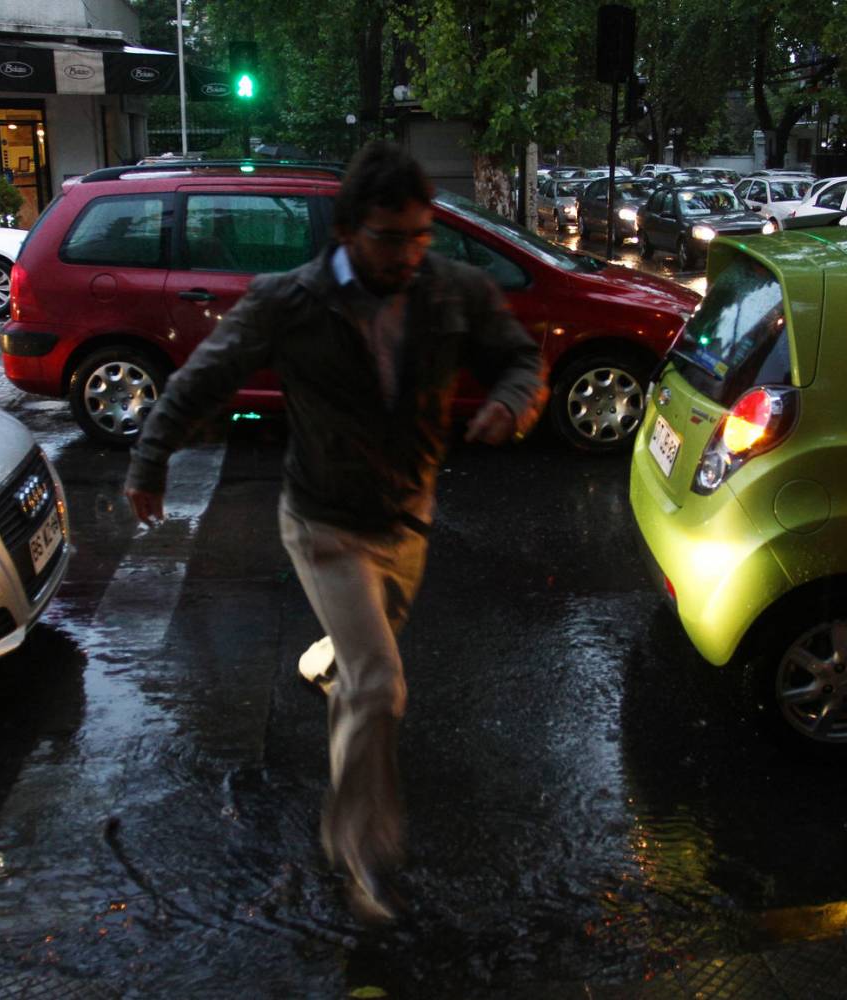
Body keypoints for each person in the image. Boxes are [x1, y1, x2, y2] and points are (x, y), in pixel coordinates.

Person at [125, 141, 547, 924]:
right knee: (381, 686)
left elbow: (519, 357)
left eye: (422, 235)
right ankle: (360, 857)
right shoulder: (291, 300)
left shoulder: (451, 289)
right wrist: (149, 460)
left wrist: (513, 402)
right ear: (351, 229)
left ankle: (337, 678)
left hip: (408, 518)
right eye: (392, 238)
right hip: (322, 524)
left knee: (361, 678)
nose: (410, 254)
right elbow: (204, 376)